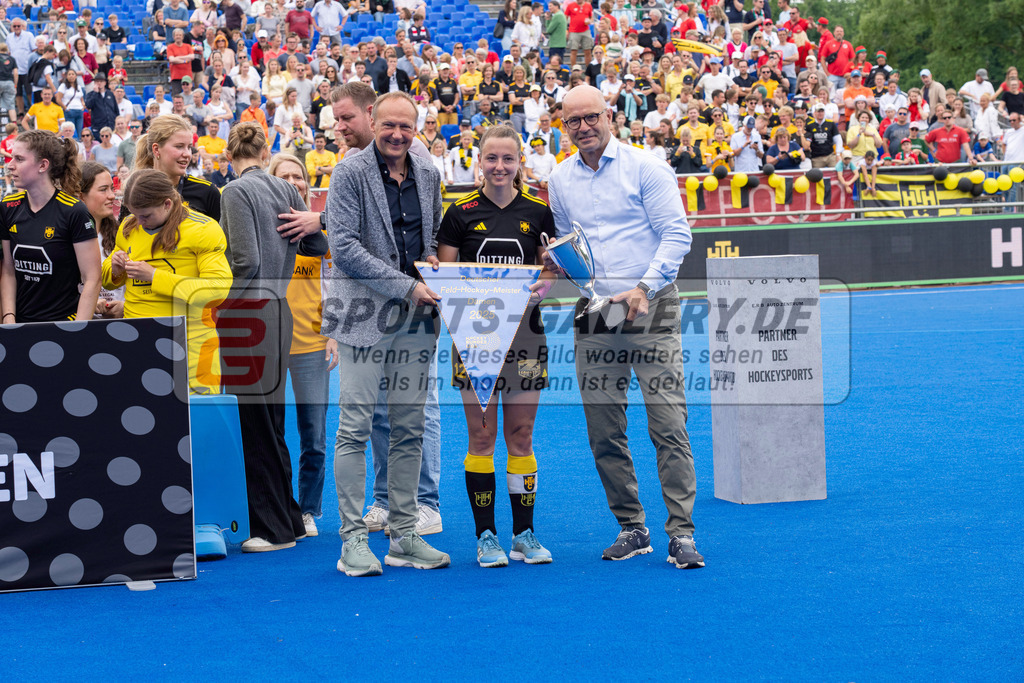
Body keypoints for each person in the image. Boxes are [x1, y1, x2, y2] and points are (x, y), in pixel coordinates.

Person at [547, 85, 704, 569]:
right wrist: (554, 270)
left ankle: (681, 533)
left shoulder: (647, 166)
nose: (583, 127)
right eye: (572, 121)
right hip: (598, 311)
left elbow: (678, 234)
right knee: (603, 428)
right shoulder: (559, 178)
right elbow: (569, 245)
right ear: (564, 126)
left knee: (668, 423)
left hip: (650, 304)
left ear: (609, 116)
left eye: (591, 117)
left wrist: (642, 287)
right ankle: (632, 527)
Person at [324, 91, 449, 577]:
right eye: (389, 125)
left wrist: (435, 267)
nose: (397, 134)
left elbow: (434, 235)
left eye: (407, 127)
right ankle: (353, 539)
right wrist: (409, 286)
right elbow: (345, 248)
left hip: (416, 323)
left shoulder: (429, 173)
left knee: (409, 430)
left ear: (417, 129)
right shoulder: (349, 173)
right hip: (361, 318)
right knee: (354, 429)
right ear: (373, 121)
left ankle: (403, 535)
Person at [435, 124, 556, 567]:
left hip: (527, 336)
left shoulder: (539, 212)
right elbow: (446, 282)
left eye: (508, 159)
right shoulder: (460, 213)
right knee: (482, 437)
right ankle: (486, 536)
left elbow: (550, 269)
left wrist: (544, 282)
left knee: (521, 435)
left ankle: (524, 534)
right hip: (476, 338)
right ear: (479, 161)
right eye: (492, 159)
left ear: (519, 161)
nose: (500, 167)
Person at [219, 122, 329, 552]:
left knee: (254, 422)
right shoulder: (285, 191)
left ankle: (272, 529)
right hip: (280, 311)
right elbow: (317, 247)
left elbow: (244, 261)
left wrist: (218, 302)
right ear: (265, 154)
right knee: (272, 420)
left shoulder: (234, 192)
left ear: (230, 158)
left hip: (248, 313)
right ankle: (290, 518)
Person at [100, 169, 231, 392]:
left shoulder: (204, 229)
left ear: (167, 204)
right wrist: (114, 267)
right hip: (138, 343)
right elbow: (108, 281)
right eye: (134, 214)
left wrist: (155, 277)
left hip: (191, 346)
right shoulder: (130, 226)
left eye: (146, 216)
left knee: (197, 420)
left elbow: (217, 290)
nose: (139, 222)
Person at [271, 151, 338, 538]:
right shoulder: (262, 229)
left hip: (312, 344)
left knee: (314, 436)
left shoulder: (320, 237)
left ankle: (308, 510)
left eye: (299, 176)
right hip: (270, 344)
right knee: (273, 433)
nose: (294, 181)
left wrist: (333, 333)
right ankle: (280, 508)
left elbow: (335, 286)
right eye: (285, 176)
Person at [1, 131, 100, 324]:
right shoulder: (7, 207)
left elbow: (92, 279)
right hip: (20, 324)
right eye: (12, 158)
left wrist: (78, 330)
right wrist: (9, 318)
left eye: (19, 159)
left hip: (64, 323)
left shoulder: (74, 211)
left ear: (43, 165)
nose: (9, 165)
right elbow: (8, 270)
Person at [134, 114, 222, 221]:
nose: (187, 154)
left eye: (189, 147)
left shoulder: (207, 192)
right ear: (156, 149)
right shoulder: (136, 193)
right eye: (179, 146)